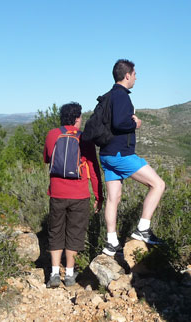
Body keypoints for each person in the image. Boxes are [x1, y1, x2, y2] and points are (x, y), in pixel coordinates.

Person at [99, 59, 166, 256]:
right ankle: (143, 229)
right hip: (121, 154)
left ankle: (111, 242)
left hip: (106, 154)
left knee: (113, 198)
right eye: (135, 74)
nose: (136, 78)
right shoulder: (121, 97)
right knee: (158, 184)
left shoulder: (107, 96)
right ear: (127, 75)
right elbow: (120, 123)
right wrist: (135, 124)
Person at [43, 102, 104, 288]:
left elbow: (47, 159)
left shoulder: (53, 134)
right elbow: (93, 169)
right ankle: (69, 275)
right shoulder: (84, 138)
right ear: (77, 118)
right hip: (79, 195)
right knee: (75, 232)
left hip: (57, 192)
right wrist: (98, 195)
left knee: (56, 230)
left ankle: (53, 273)